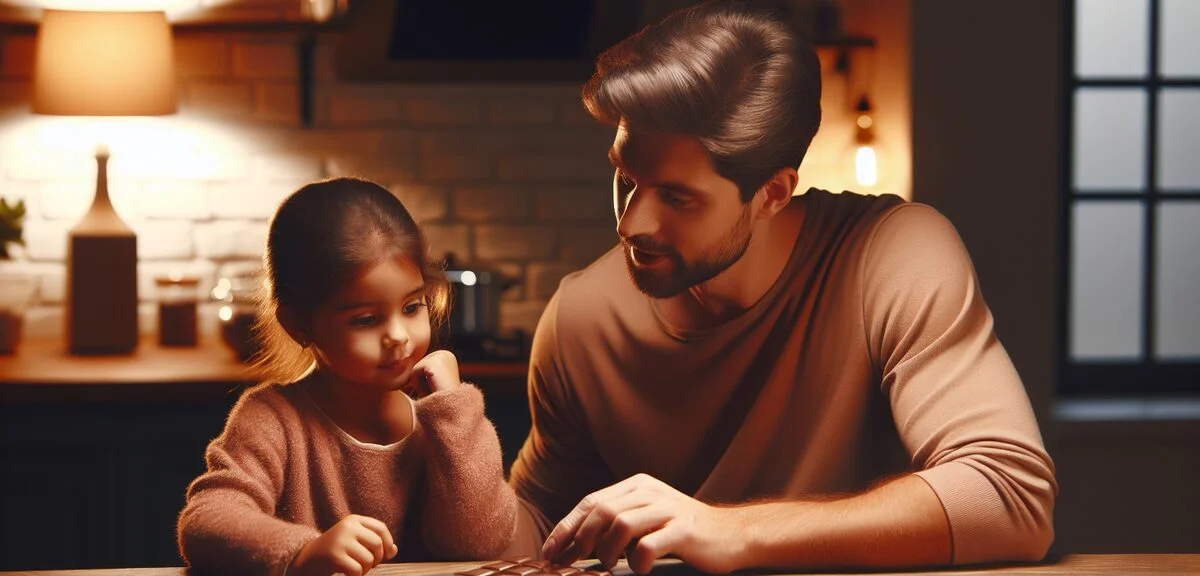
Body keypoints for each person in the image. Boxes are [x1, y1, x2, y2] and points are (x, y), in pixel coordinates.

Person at [505, 1, 1057, 573]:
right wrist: (432, 446)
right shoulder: (580, 314)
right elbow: (538, 533)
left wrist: (729, 531)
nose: (630, 224)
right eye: (626, 177)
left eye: (676, 197)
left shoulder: (893, 255)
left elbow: (1009, 498)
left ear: (771, 194)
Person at [178, 177, 517, 576]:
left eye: (412, 307)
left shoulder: (441, 422)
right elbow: (205, 520)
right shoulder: (272, 419)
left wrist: (455, 409)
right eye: (366, 319)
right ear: (298, 325)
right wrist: (302, 552)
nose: (397, 336)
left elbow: (480, 544)